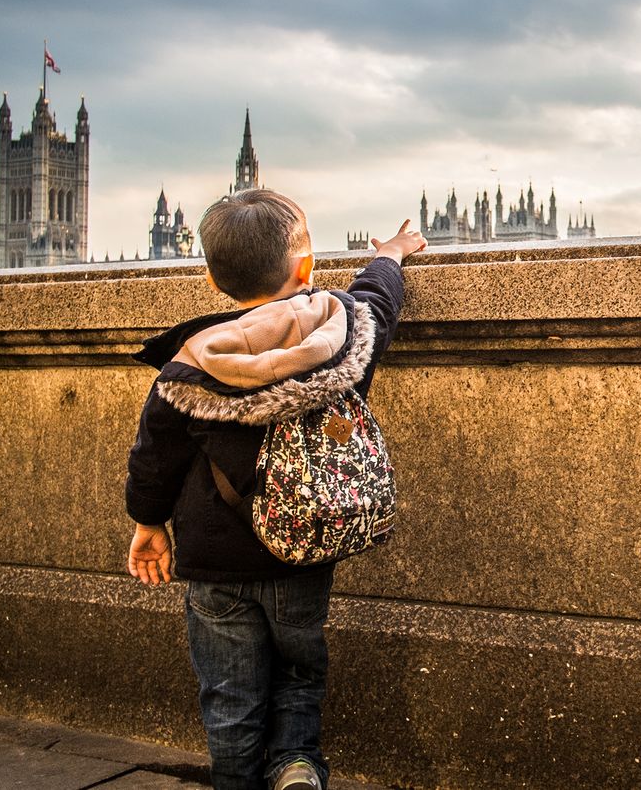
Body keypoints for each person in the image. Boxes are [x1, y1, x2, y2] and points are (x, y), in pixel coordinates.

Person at [125, 188, 424, 790]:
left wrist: (147, 524)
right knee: (298, 675)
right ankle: (296, 766)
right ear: (306, 269)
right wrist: (391, 253)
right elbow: (376, 301)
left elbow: (154, 457)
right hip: (300, 555)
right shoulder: (339, 336)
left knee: (230, 697)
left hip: (214, 567)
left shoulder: (189, 365)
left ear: (212, 280)